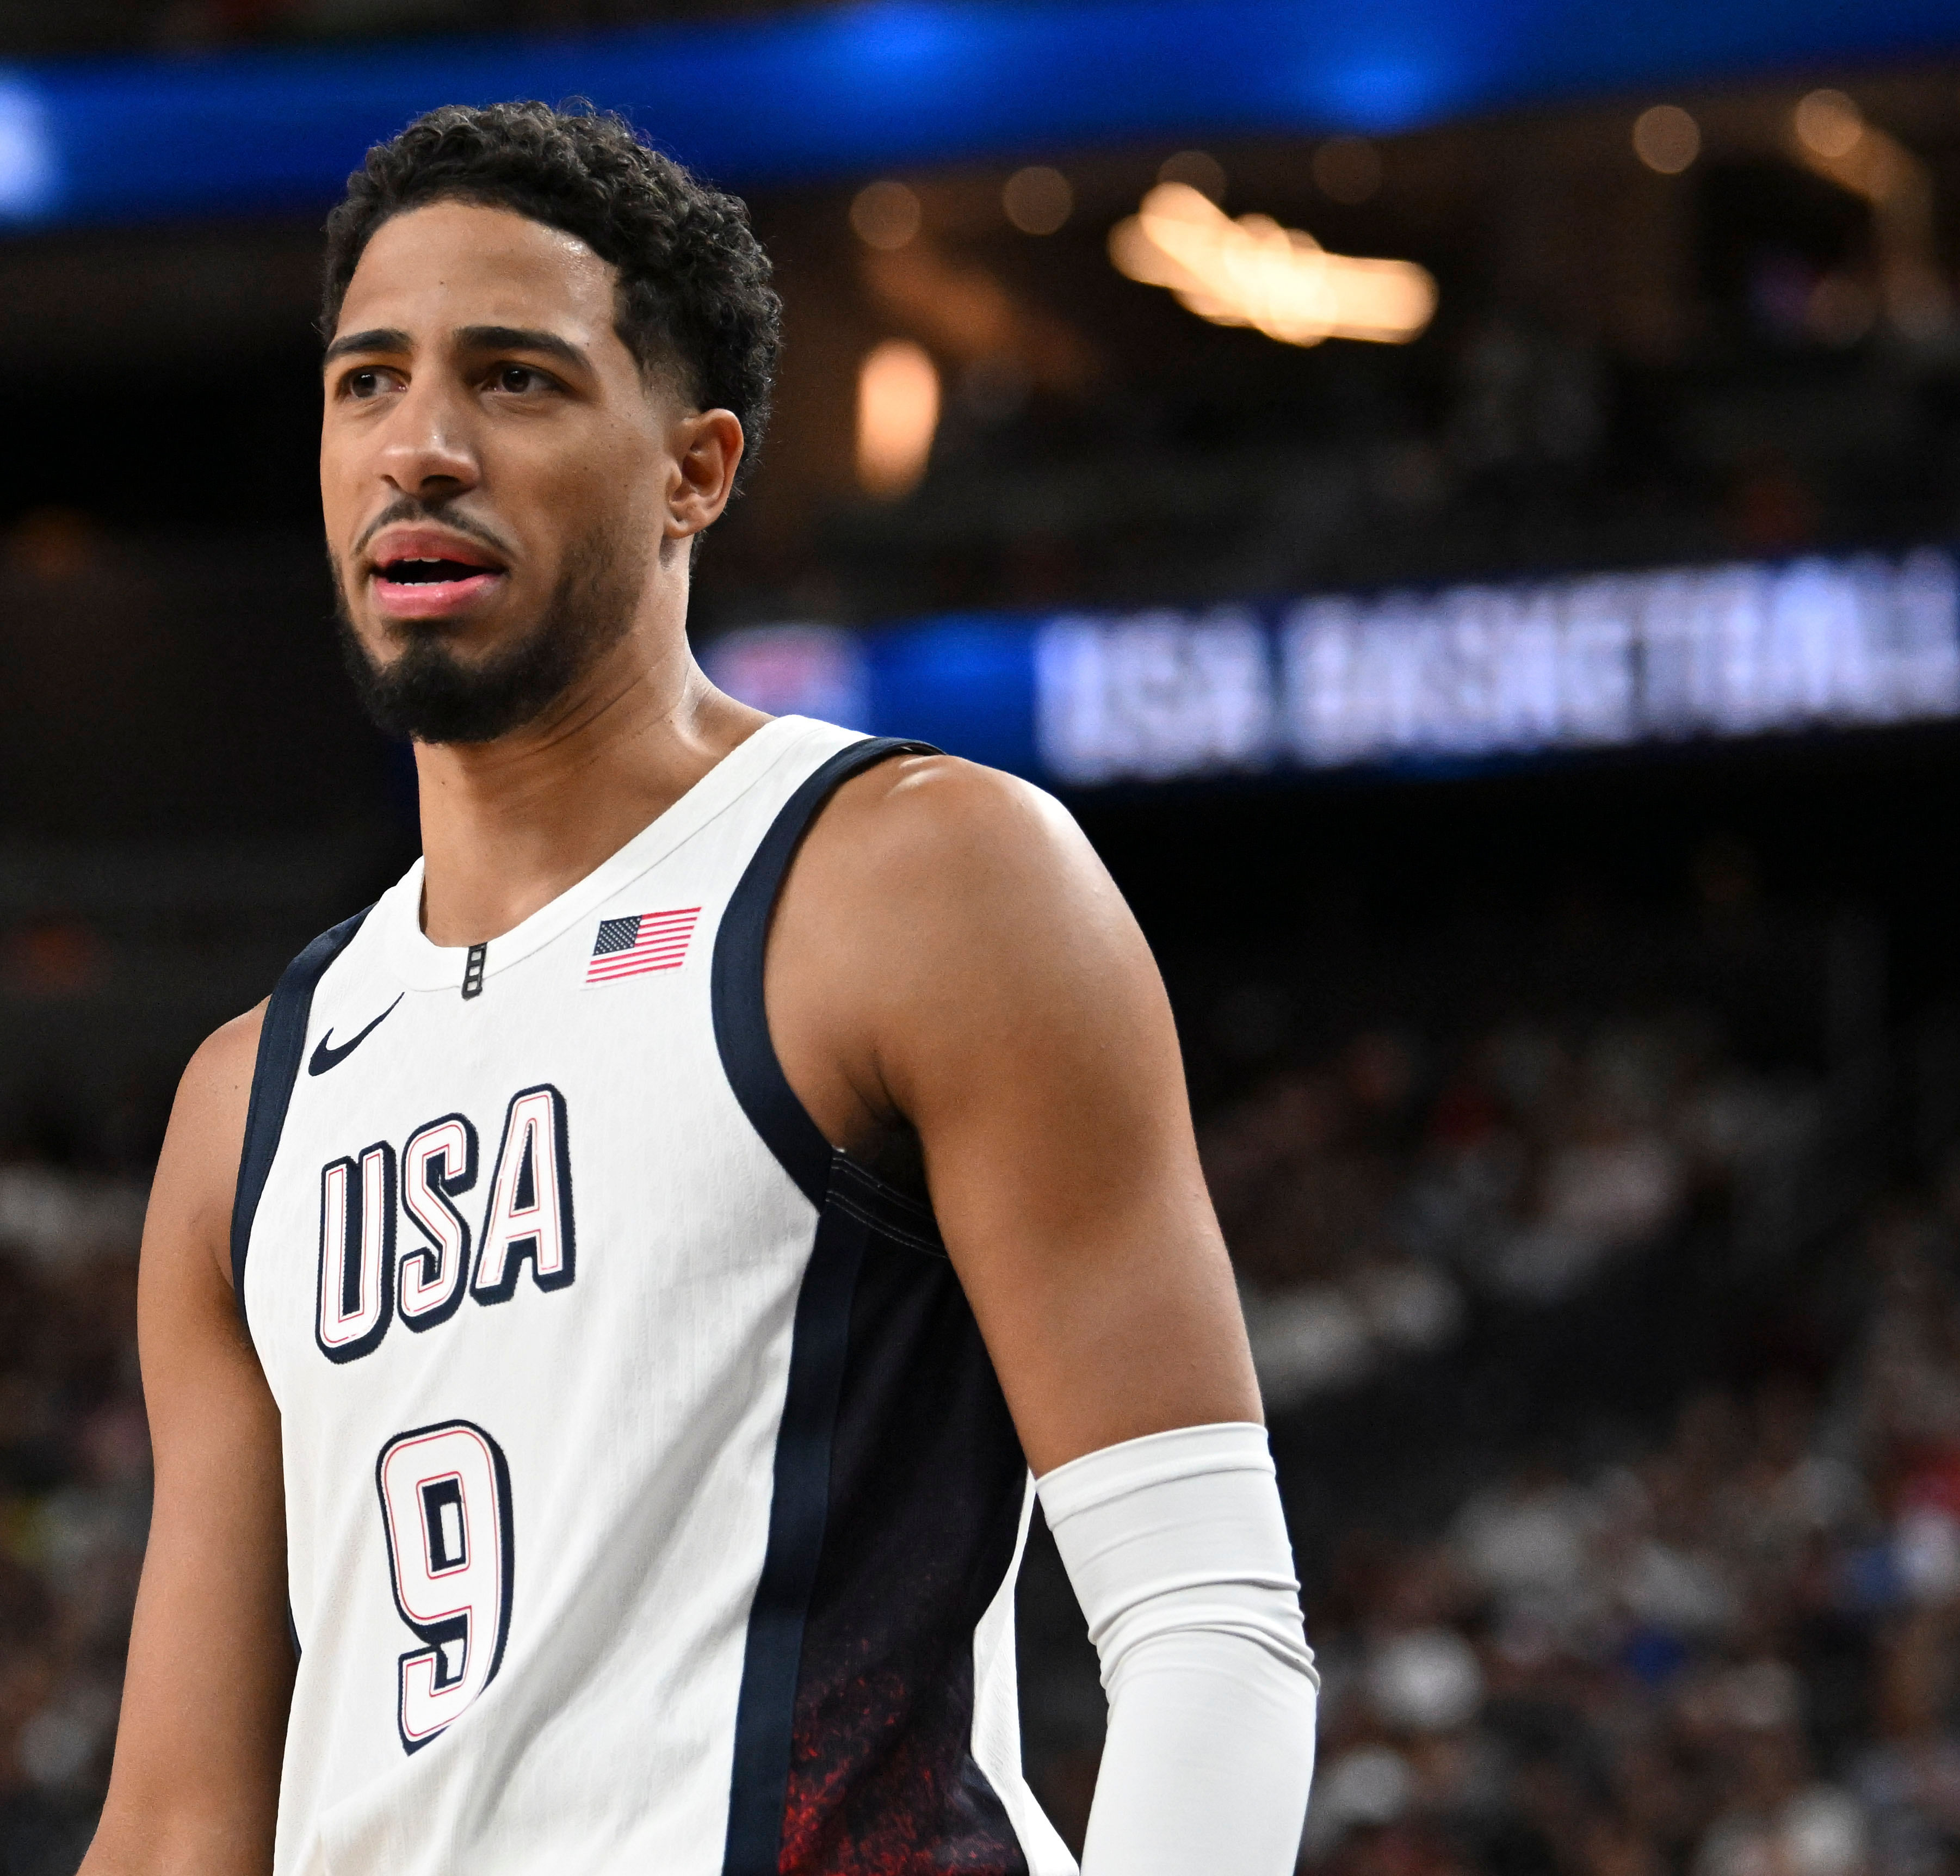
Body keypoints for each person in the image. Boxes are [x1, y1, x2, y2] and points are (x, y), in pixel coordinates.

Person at [81, 102, 1317, 1876]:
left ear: (697, 469)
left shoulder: (914, 881)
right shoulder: (247, 1101)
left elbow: (1208, 1629)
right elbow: (181, 1826)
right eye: (367, 382)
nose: (417, 447)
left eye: (511, 378)